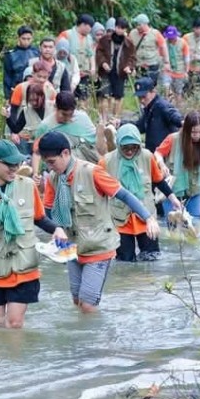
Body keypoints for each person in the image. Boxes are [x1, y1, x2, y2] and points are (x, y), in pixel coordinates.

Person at [39, 131, 160, 313]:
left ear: (65, 153)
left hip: (98, 247)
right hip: (71, 248)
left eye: (51, 162)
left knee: (87, 305)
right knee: (76, 301)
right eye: (46, 162)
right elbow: (48, 211)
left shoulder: (92, 172)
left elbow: (125, 195)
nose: (49, 167)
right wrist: (54, 234)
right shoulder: (54, 179)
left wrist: (149, 218)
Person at [0, 140, 65, 328]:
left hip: (24, 268)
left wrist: (57, 229)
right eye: (9, 165)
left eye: (17, 164)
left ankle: (16, 357)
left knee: (14, 323)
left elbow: (39, 218)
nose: (14, 169)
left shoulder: (28, 186)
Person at [101, 124, 182, 262]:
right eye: (125, 147)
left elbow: (159, 181)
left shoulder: (147, 157)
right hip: (120, 220)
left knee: (151, 258)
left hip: (146, 218)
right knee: (125, 261)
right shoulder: (106, 162)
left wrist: (173, 198)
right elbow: (98, 191)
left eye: (134, 147)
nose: (129, 151)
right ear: (119, 144)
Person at [32, 91, 104, 173]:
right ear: (56, 108)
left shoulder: (82, 118)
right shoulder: (46, 126)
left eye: (71, 115)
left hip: (85, 161)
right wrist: (35, 173)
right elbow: (37, 153)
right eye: (64, 114)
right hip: (59, 167)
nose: (68, 119)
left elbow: (94, 143)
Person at [122, 76, 183, 154]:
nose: (142, 100)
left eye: (144, 96)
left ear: (153, 92)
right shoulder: (149, 108)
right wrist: (120, 123)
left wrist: (182, 121)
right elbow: (139, 126)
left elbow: (173, 115)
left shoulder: (162, 106)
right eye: (139, 98)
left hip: (164, 155)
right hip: (152, 154)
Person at [95, 17, 137, 118]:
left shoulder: (129, 42)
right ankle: (104, 119)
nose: (120, 30)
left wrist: (129, 67)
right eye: (118, 27)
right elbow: (99, 52)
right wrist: (103, 62)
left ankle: (115, 118)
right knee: (104, 95)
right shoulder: (105, 39)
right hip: (106, 71)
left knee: (118, 96)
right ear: (115, 27)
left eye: (122, 28)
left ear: (125, 29)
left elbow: (133, 57)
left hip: (120, 73)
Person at [56, 14, 96, 100]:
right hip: (69, 71)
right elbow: (58, 51)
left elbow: (91, 54)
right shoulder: (66, 34)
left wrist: (93, 67)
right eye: (90, 27)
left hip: (84, 73)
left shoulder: (89, 38)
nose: (90, 30)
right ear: (83, 25)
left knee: (84, 97)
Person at [7, 81, 52, 155]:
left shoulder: (52, 107)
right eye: (31, 100)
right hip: (33, 145)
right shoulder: (26, 111)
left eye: (36, 100)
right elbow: (16, 129)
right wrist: (8, 117)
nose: (34, 103)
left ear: (42, 96)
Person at [2, 25, 40, 108]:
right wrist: (7, 97)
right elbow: (7, 77)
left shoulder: (37, 53)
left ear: (32, 38)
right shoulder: (10, 55)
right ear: (18, 38)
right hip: (16, 90)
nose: (26, 41)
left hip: (34, 90)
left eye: (28, 39)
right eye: (23, 38)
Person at [130, 14, 169, 86]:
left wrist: (166, 62)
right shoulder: (132, 33)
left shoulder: (155, 33)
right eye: (136, 25)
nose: (137, 27)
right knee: (140, 86)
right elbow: (129, 49)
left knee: (151, 86)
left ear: (144, 24)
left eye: (138, 24)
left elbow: (163, 46)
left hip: (152, 64)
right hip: (139, 65)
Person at [163, 25, 189, 101]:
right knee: (166, 89)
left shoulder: (183, 43)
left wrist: (186, 71)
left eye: (172, 37)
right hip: (167, 71)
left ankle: (179, 107)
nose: (171, 39)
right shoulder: (164, 42)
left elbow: (186, 58)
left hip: (179, 71)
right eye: (169, 37)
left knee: (178, 92)